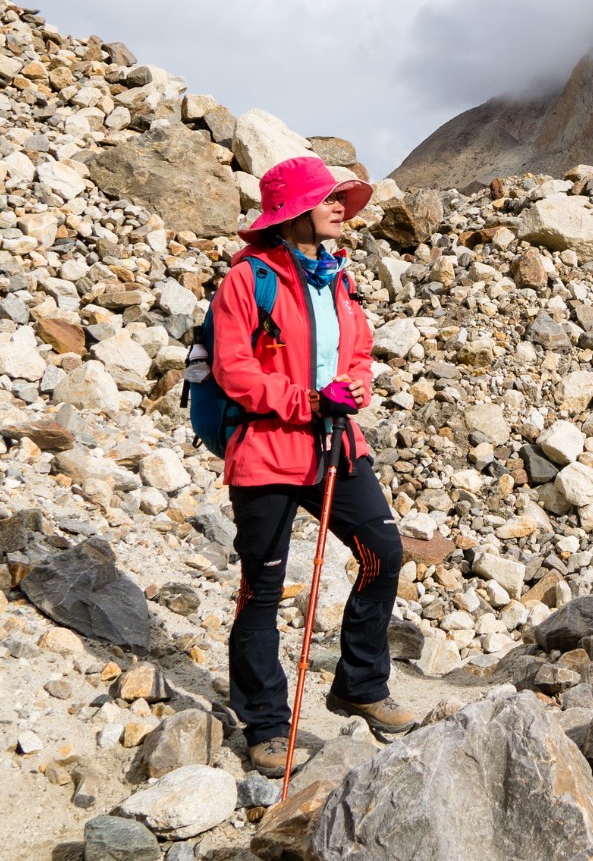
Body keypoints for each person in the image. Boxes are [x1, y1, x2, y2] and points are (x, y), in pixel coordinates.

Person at [210, 153, 414, 775]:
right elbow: (234, 371)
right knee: (263, 589)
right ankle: (267, 723)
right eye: (326, 199)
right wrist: (306, 400)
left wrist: (353, 386)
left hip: (336, 442)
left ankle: (359, 685)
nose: (338, 208)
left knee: (384, 552)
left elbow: (358, 348)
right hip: (269, 447)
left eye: (338, 199)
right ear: (292, 212)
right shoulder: (248, 280)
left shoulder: (336, 277)